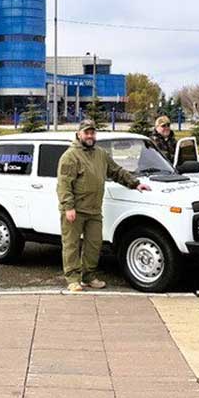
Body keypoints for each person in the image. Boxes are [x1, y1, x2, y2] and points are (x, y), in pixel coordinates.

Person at [57, 119, 151, 291]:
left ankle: (88, 277)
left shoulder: (100, 154)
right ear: (79, 134)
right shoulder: (70, 156)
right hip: (75, 210)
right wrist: (68, 206)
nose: (90, 135)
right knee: (71, 245)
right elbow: (63, 185)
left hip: (94, 210)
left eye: (92, 132)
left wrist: (135, 183)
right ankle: (73, 279)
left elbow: (116, 171)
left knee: (94, 245)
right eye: (87, 132)